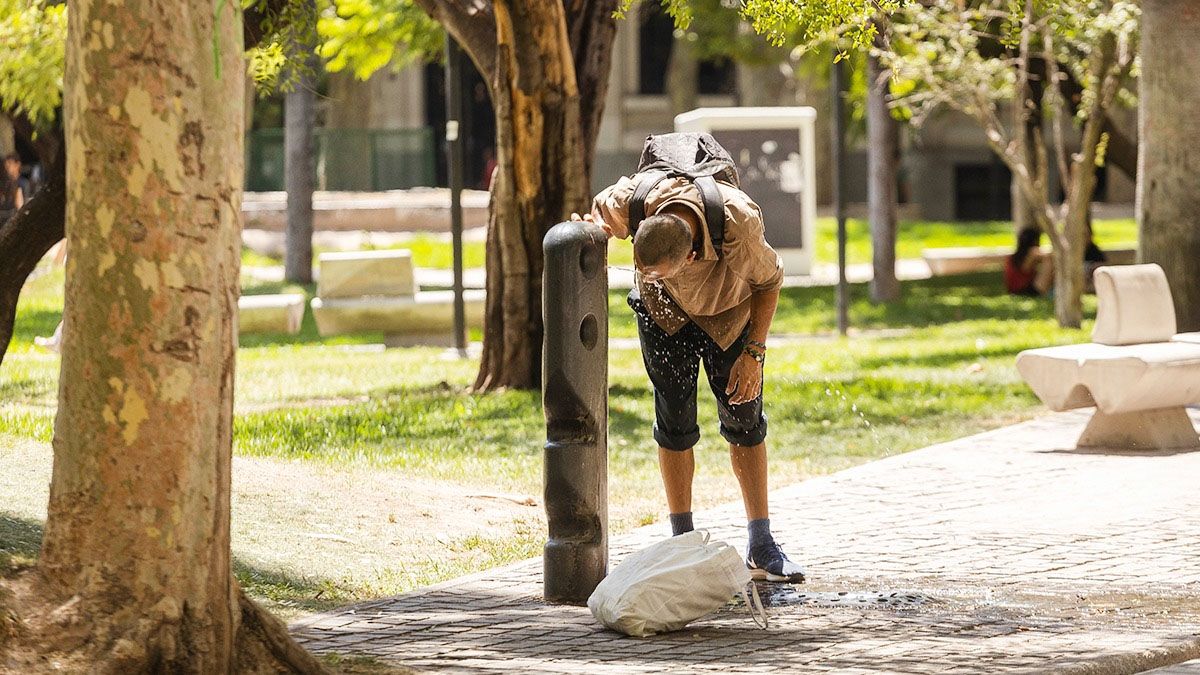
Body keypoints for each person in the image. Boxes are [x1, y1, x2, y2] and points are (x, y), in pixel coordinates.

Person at [573, 165, 805, 584]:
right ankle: (683, 541)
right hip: (663, 315)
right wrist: (589, 229)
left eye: (657, 271)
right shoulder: (635, 198)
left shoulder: (737, 221)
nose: (646, 276)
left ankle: (762, 544)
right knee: (674, 421)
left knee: (744, 420)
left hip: (729, 314)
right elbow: (599, 212)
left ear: (692, 256)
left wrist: (753, 353)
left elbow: (770, 281)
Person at [1005, 226, 1052, 296]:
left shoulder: (1013, 257)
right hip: (1028, 291)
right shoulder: (1032, 252)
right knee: (1049, 262)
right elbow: (1049, 255)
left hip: (1014, 290)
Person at [0, 153, 24, 221]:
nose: (7, 166)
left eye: (10, 163)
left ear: (17, 164)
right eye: (6, 163)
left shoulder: (22, 184)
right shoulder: (4, 184)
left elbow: (19, 207)